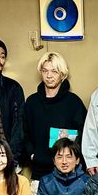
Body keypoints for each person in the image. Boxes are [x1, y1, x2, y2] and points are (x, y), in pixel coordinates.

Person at [23, 51, 87, 187]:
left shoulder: (74, 102)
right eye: (45, 71)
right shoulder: (32, 102)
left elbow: (83, 134)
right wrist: (32, 154)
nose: (49, 75)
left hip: (68, 174)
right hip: (39, 172)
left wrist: (72, 159)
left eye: (54, 71)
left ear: (62, 74)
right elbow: (24, 132)